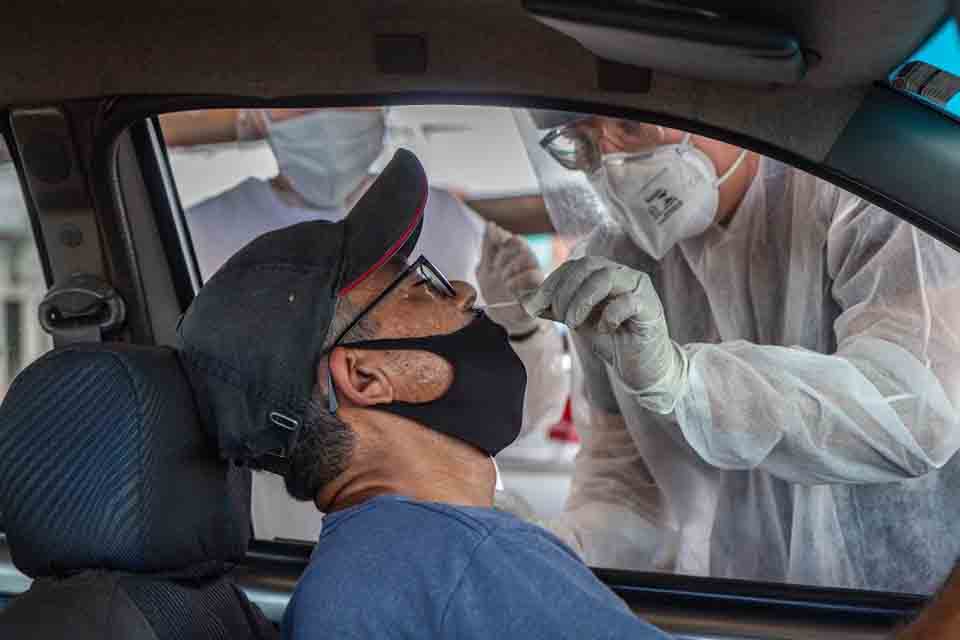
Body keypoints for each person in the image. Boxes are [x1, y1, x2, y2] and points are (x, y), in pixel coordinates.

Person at [175, 149, 667, 639]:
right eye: (417, 288)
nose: (462, 290)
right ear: (364, 377)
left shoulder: (370, 571)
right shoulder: (461, 567)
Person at [501, 109, 960, 593]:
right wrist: (557, 554)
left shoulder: (859, 200)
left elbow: (916, 415)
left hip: (906, 606)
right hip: (742, 604)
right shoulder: (613, 268)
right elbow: (627, 481)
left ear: (705, 100)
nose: (606, 165)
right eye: (582, 142)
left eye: (630, 127)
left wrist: (687, 385)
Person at [161, 108, 568, 541]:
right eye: (417, 289)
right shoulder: (191, 232)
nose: (463, 291)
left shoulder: (448, 218)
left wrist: (523, 329)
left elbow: (524, 408)